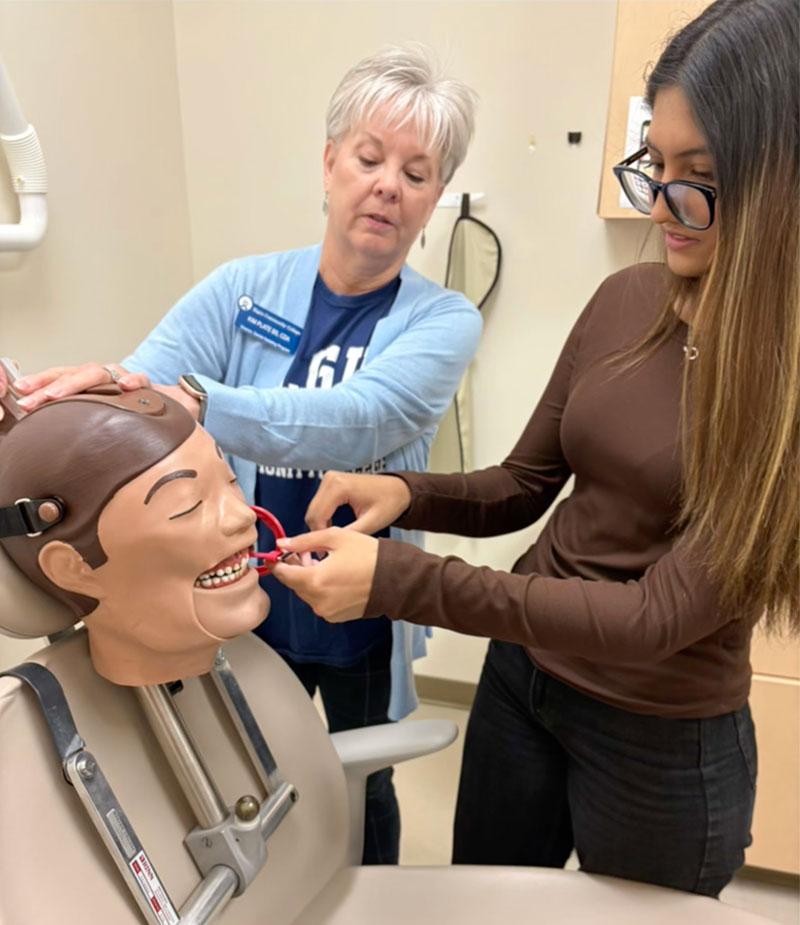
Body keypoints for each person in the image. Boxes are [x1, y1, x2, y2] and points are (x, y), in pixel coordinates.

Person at [271, 0, 799, 896]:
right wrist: (409, 493)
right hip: (524, 687)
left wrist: (399, 580)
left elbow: (650, 621)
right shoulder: (628, 299)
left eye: (699, 179)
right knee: (485, 900)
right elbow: (522, 484)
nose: (662, 205)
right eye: (655, 165)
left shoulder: (784, 383)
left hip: (659, 733)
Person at [0, 45, 481, 863]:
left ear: (435, 196)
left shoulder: (444, 321)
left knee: (367, 780)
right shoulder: (243, 290)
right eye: (368, 158)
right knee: (255, 766)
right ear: (329, 164)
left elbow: (355, 420)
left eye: (416, 172)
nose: (387, 186)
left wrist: (200, 399)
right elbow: (145, 385)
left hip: (359, 604)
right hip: (240, 587)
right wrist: (48, 401)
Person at [0, 386, 269, 685]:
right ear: (74, 568)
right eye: (187, 506)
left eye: (231, 480)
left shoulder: (270, 681)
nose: (243, 515)